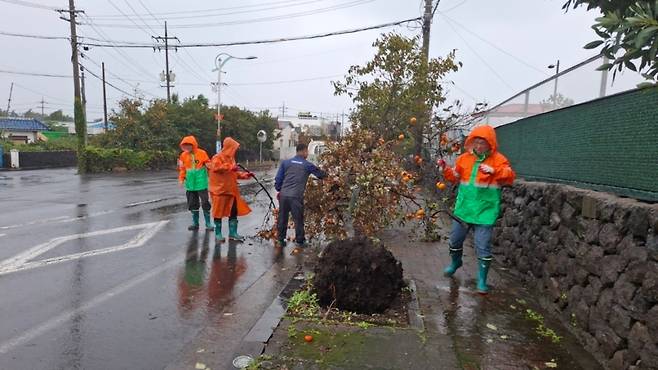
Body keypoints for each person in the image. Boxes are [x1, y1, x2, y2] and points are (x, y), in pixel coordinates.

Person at [438, 125, 516, 295]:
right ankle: (455, 263)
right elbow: (454, 178)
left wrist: (494, 171)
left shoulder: (499, 160)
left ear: (490, 144)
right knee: (455, 241)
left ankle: (482, 280)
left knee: (483, 247)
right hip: (464, 209)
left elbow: (509, 176)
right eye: (476, 142)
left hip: (485, 211)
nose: (478, 146)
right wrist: (445, 169)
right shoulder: (464, 159)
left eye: (482, 143)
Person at [275, 143, 327, 248]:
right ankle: (300, 241)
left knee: (282, 218)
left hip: (284, 196)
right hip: (296, 196)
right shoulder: (307, 165)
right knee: (298, 219)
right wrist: (330, 175)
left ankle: (280, 240)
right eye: (307, 151)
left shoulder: (286, 163)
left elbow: (278, 179)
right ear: (303, 151)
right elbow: (320, 174)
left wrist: (279, 189)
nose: (307, 154)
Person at [207, 137, 253, 242]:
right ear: (228, 147)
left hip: (231, 191)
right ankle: (218, 234)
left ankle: (233, 233)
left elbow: (233, 173)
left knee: (233, 212)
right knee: (218, 213)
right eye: (234, 148)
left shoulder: (231, 159)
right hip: (220, 191)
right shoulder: (217, 157)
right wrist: (229, 167)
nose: (235, 150)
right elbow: (215, 167)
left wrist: (245, 175)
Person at [178, 135, 213, 231]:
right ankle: (195, 223)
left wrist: (210, 169)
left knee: (205, 202)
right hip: (190, 184)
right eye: (185, 145)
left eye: (189, 145)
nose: (187, 147)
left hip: (201, 183)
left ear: (193, 145)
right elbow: (182, 169)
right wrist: (181, 179)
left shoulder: (202, 153)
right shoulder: (183, 155)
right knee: (192, 204)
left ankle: (208, 223)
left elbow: (208, 165)